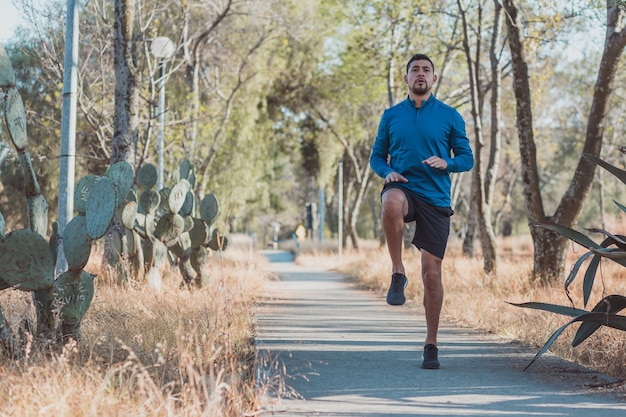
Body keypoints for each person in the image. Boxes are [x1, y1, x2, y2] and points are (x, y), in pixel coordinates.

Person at [369, 53, 474, 369]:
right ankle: (398, 271)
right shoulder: (391, 115)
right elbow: (377, 156)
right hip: (403, 186)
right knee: (390, 202)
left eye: (426, 70)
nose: (420, 74)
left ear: (433, 79)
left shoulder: (450, 116)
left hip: (435, 197)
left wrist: (448, 162)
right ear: (405, 79)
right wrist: (386, 172)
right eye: (414, 69)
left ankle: (431, 343)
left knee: (431, 274)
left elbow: (466, 158)